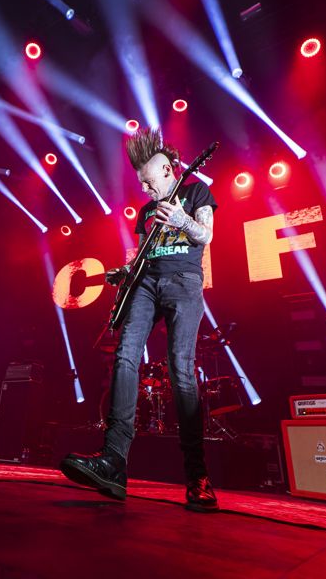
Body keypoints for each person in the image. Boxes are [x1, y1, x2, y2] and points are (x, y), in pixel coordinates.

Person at [60, 127, 219, 512]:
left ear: (167, 172)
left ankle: (197, 476)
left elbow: (206, 236)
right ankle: (114, 462)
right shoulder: (147, 212)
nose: (145, 191)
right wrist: (124, 271)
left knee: (181, 369)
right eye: (141, 184)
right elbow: (143, 255)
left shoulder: (196, 192)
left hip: (184, 282)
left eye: (148, 182)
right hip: (147, 283)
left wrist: (182, 219)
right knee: (125, 355)